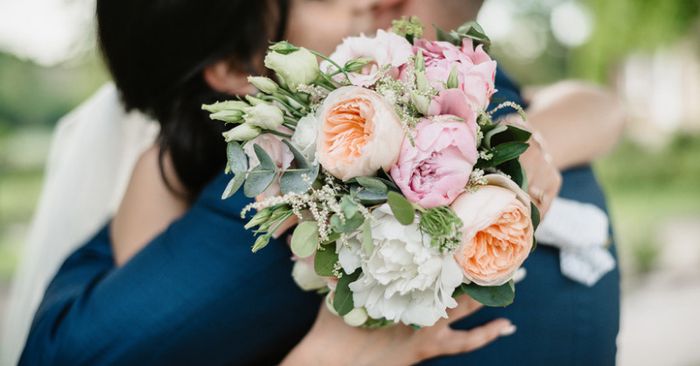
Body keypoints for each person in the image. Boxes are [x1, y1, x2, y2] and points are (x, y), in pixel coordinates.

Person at [14, 0, 624, 365]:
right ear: (233, 66)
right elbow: (140, 340)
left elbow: (596, 107)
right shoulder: (214, 183)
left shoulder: (436, 82)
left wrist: (527, 142)